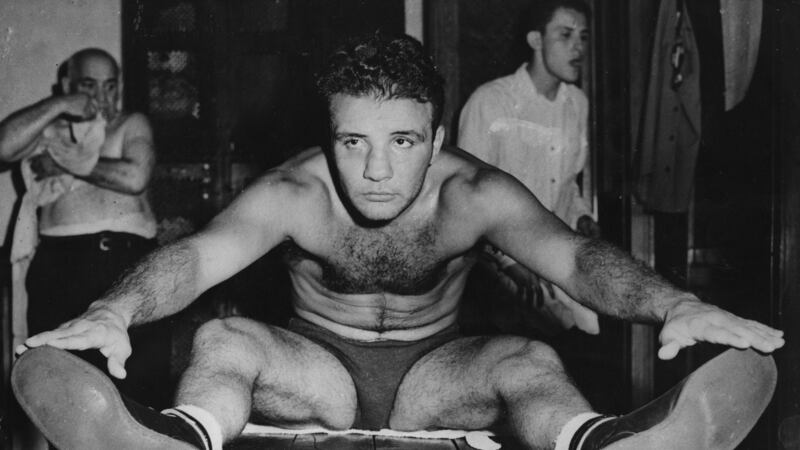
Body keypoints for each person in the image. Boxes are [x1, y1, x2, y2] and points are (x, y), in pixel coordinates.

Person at [11, 33, 782, 450]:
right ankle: (179, 440)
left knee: (529, 359)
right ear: (330, 136)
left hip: (435, 379)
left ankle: (598, 445)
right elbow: (195, 257)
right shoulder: (294, 192)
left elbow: (577, 259)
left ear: (438, 137)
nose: (376, 171)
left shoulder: (473, 194)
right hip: (314, 371)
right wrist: (115, 310)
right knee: (227, 339)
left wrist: (673, 301)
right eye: (352, 143)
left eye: (403, 141)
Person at [0, 48, 170, 407]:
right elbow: (3, 148)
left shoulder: (130, 124)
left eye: (110, 86)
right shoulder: (51, 129)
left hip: (124, 264)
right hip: (58, 266)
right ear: (67, 85)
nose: (102, 97)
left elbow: (135, 176)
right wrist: (60, 106)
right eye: (88, 86)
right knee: (59, 397)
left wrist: (65, 161)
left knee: (136, 394)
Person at [459, 0, 600, 335]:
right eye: (565, 35)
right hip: (496, 270)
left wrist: (580, 215)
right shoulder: (490, 102)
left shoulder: (577, 104)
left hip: (553, 257)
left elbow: (567, 183)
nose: (578, 47)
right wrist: (508, 263)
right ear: (536, 40)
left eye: (583, 36)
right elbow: (466, 197)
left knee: (588, 332)